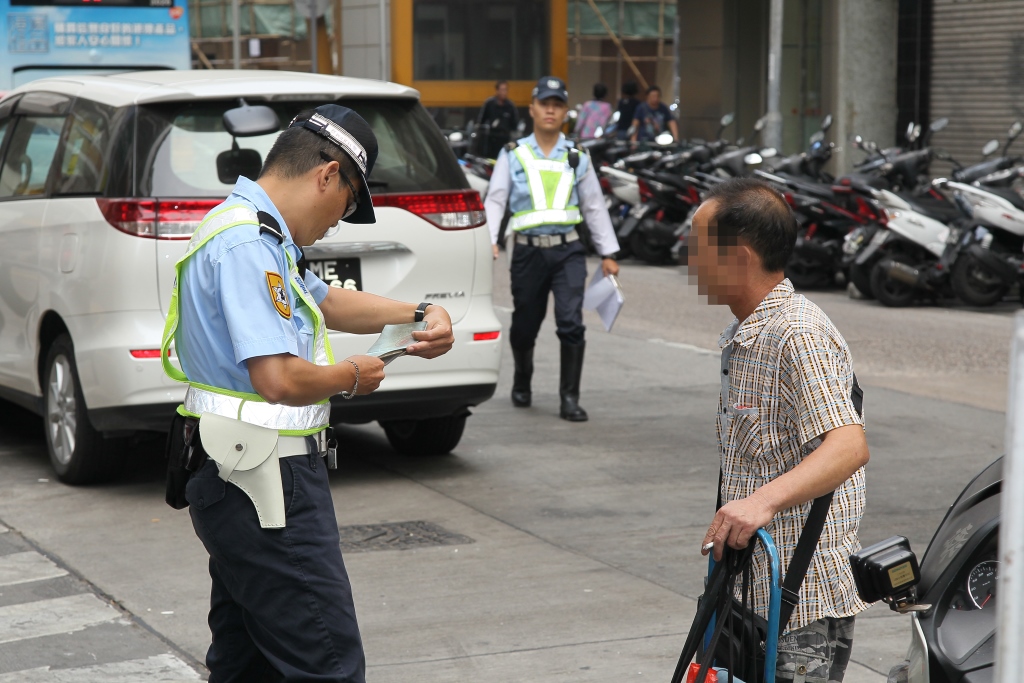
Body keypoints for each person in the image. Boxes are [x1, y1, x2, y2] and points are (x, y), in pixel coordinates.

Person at [161, 104, 455, 682]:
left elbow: (323, 300)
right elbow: (279, 378)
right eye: (345, 205)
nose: (336, 223)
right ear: (327, 175)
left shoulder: (255, 231)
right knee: (327, 663)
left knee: (247, 662)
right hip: (265, 483)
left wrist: (421, 312)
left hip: (237, 474)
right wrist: (352, 375)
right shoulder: (249, 243)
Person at [688, 178, 870, 682]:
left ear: (740, 259)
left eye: (698, 249)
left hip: (799, 605)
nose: (690, 263)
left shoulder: (798, 335)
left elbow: (848, 446)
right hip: (748, 595)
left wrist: (761, 502)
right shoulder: (749, 334)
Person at [484, 76, 620, 422]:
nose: (550, 110)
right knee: (525, 324)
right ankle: (522, 379)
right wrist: (491, 240)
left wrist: (608, 253)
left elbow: (593, 206)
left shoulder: (577, 156)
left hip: (568, 251)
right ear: (532, 109)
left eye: (557, 104)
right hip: (528, 253)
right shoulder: (513, 153)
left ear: (565, 112)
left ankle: (569, 398)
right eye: (544, 103)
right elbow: (496, 199)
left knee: (570, 322)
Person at [477, 79, 519, 159]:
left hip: (505, 139)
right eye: (502, 90)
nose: (504, 92)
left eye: (506, 90)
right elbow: (481, 122)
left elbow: (515, 125)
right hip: (491, 140)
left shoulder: (510, 106)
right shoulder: (489, 104)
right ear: (497, 91)